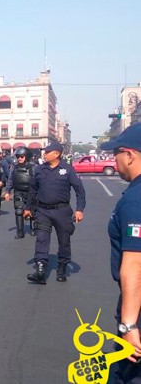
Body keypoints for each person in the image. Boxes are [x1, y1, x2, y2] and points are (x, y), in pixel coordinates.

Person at [100, 124, 141, 382]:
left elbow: (135, 264)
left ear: (130, 155)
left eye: (115, 153)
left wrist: (129, 325)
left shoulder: (135, 200)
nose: (112, 159)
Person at [24, 142, 85, 284]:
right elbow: (33, 190)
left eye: (47, 152)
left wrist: (79, 209)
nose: (44, 154)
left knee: (64, 241)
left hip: (62, 211)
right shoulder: (40, 169)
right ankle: (40, 269)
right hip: (43, 211)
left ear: (57, 154)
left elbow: (80, 191)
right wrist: (28, 208)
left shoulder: (68, 170)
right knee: (41, 238)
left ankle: (62, 268)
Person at [4, 147, 35, 239]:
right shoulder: (14, 167)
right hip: (18, 191)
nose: (19, 159)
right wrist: (7, 191)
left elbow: (39, 180)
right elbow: (10, 179)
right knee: (18, 211)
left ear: (27, 157)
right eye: (18, 157)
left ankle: (33, 228)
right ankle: (20, 232)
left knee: (32, 210)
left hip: (31, 192)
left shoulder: (33, 167)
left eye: (21, 157)